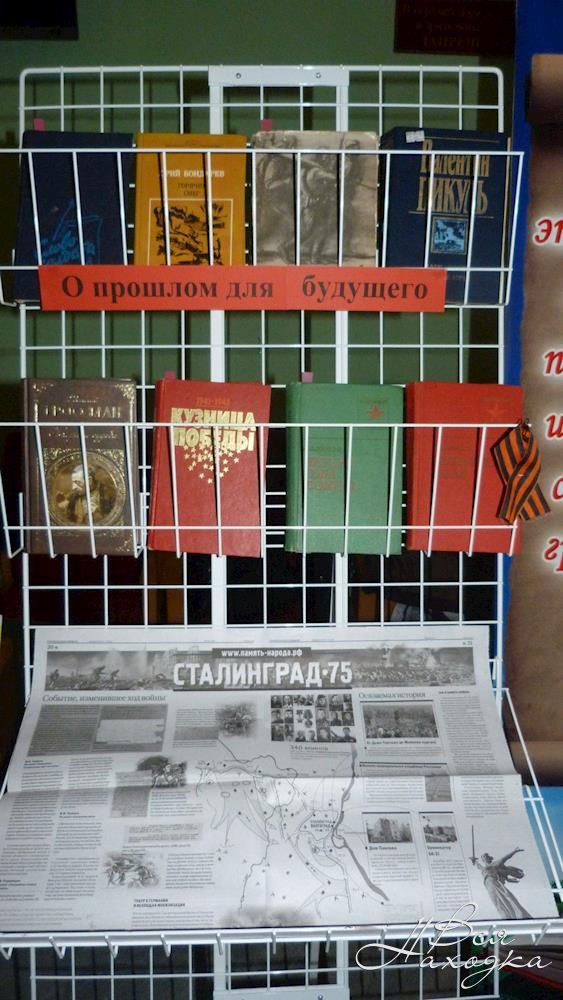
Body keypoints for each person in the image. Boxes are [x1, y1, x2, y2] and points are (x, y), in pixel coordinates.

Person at [471, 847, 531, 919]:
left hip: (494, 883)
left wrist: (514, 851)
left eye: (485, 856)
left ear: (489, 858)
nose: (484, 858)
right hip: (488, 886)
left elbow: (505, 857)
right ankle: (507, 917)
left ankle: (519, 915)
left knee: (505, 898)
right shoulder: (484, 868)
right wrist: (474, 861)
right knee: (497, 902)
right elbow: (479, 866)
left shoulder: (495, 864)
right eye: (483, 857)